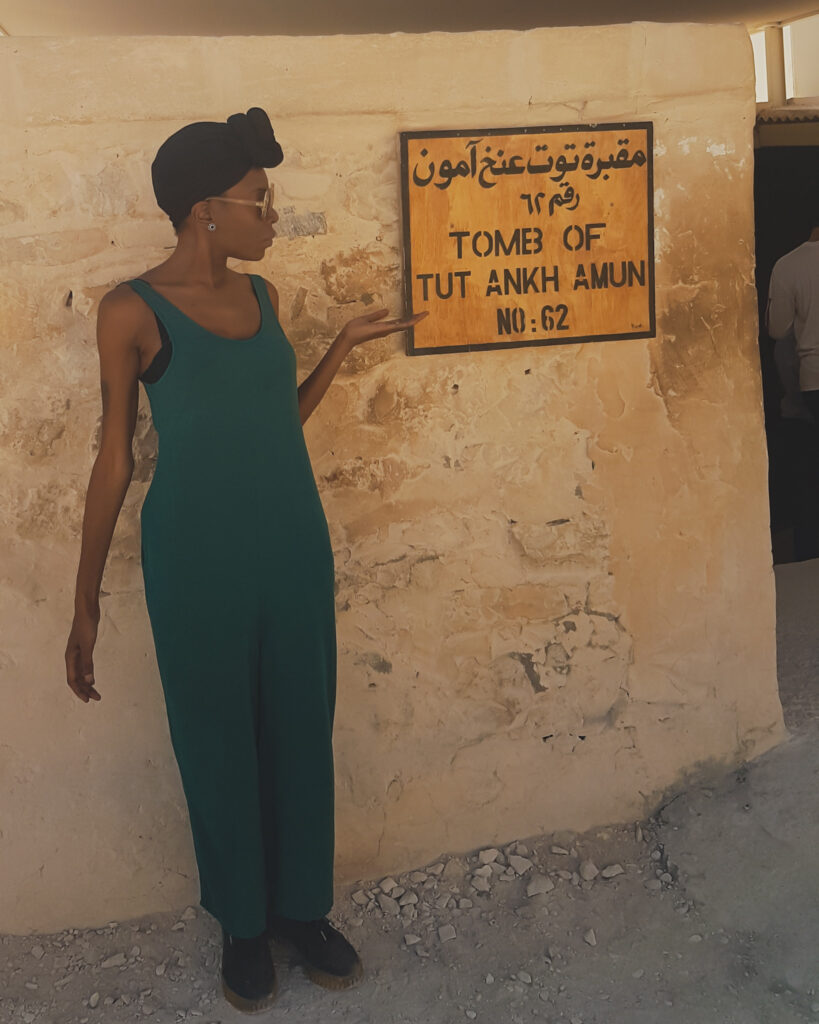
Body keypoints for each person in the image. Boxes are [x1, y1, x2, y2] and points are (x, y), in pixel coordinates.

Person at [64, 106, 428, 1014]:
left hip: (289, 543)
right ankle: (240, 920)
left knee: (301, 723)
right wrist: (85, 603)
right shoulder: (128, 311)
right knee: (216, 734)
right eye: (260, 201)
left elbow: (272, 423)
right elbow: (113, 460)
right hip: (194, 556)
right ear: (205, 212)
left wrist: (340, 347)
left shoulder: (263, 302)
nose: (276, 217)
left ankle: (303, 912)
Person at [767, 213, 819, 560]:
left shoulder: (789, 265)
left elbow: (777, 333)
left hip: (813, 380)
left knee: (810, 471)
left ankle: (808, 550)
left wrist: (792, 397)